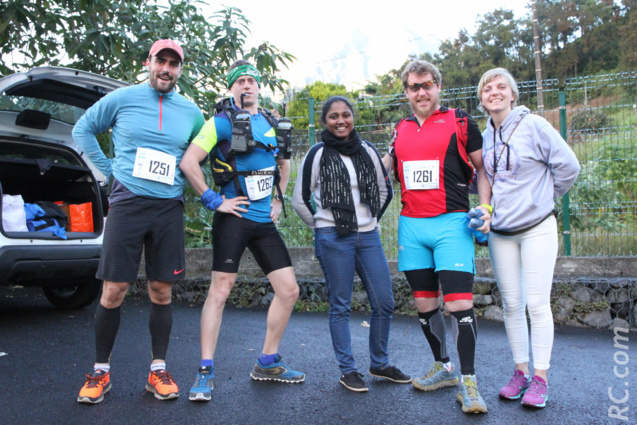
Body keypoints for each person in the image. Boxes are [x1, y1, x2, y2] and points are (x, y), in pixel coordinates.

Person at [72, 39, 205, 403]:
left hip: (167, 208)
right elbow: (82, 129)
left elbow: (199, 152)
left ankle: (157, 371)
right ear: (148, 62)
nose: (166, 68)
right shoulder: (123, 98)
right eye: (160, 61)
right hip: (127, 203)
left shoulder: (192, 112)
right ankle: (100, 373)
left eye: (173, 64)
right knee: (113, 291)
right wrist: (109, 171)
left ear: (180, 69)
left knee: (161, 291)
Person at [180, 60, 304, 402]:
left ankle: (267, 361)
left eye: (252, 81)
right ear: (232, 88)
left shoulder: (272, 122)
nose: (246, 86)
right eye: (240, 82)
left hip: (264, 222)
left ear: (258, 87)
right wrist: (212, 199)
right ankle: (205, 371)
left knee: (289, 290)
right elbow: (189, 162)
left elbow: (283, 161)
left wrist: (279, 197)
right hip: (233, 217)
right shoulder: (219, 122)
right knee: (220, 291)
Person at [384, 60, 491, 414]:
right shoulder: (399, 130)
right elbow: (383, 169)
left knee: (459, 304)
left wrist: (487, 210)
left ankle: (470, 382)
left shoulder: (460, 122)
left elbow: (482, 171)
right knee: (425, 305)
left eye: (427, 85)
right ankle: (443, 367)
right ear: (406, 92)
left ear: (438, 87)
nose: (421, 92)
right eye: (414, 87)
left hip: (452, 224)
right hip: (412, 227)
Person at [292, 96, 411, 392]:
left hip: (368, 236)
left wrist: (371, 219)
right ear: (325, 121)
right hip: (333, 237)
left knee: (384, 301)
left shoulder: (367, 149)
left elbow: (384, 189)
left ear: (353, 117)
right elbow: (299, 199)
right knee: (340, 305)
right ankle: (348, 370)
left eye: (346, 115)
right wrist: (321, 225)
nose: (341, 120)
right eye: (334, 116)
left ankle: (379, 363)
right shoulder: (317, 154)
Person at [477, 68, 580, 408]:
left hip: (537, 227)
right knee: (512, 305)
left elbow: (569, 166)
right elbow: (489, 179)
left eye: (501, 86)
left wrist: (543, 198)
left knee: (537, 304)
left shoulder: (534, 125)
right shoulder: (486, 135)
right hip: (502, 234)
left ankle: (540, 379)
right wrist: (488, 210)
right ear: (481, 99)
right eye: (487, 88)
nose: (494, 92)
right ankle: (520, 372)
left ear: (513, 94)